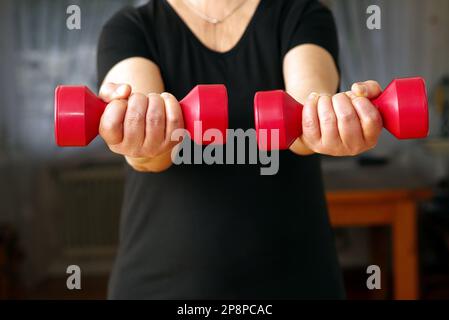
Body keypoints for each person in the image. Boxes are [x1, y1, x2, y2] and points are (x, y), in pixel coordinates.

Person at [97, 0, 383, 299]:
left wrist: (331, 122)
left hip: (296, 280)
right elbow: (152, 153)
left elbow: (304, 112)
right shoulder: (129, 27)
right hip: (159, 284)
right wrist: (138, 139)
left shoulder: (302, 13)